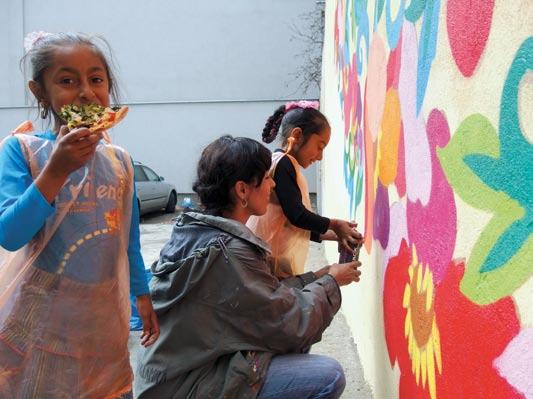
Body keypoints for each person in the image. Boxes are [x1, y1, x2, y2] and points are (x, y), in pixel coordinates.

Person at [135, 135, 361, 399]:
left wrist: (315, 277)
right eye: (266, 177)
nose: (273, 184)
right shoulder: (229, 250)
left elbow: (263, 296)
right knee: (327, 375)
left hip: (168, 379)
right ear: (242, 190)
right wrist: (331, 282)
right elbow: (291, 323)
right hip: (184, 386)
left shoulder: (199, 231)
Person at [0, 32, 159, 398]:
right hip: (39, 319)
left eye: (96, 79)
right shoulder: (22, 150)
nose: (86, 92)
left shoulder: (120, 163)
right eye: (67, 81)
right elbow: (9, 235)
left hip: (102, 319)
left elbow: (127, 242)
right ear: (40, 92)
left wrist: (142, 295)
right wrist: (55, 171)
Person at [247, 101, 362, 278]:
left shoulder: (283, 163)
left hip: (268, 261)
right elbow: (297, 215)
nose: (320, 156)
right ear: (297, 135)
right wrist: (334, 224)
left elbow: (292, 223)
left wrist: (334, 234)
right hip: (267, 263)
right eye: (320, 146)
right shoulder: (283, 164)